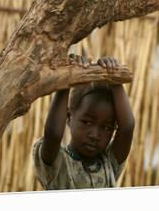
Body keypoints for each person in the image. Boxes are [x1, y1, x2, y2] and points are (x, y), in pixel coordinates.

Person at [32, 54, 135, 190]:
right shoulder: (56, 164)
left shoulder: (109, 163)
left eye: (106, 128)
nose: (95, 135)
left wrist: (113, 77)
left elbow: (127, 128)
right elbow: (53, 133)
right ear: (68, 118)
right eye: (87, 122)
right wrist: (67, 79)